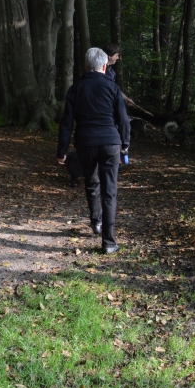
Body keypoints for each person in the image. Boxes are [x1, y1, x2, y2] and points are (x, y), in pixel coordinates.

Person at [57, 47, 130, 254]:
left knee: (91, 182)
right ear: (104, 66)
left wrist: (61, 151)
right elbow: (123, 119)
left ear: (85, 66)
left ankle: (96, 222)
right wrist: (125, 143)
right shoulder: (112, 88)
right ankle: (108, 242)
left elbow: (66, 123)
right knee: (110, 191)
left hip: (85, 142)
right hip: (110, 143)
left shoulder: (76, 88)